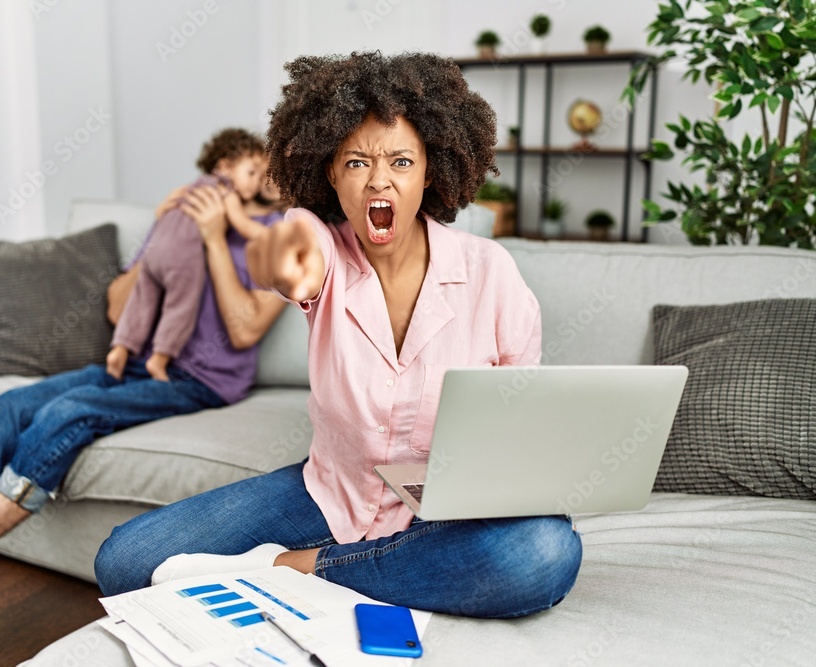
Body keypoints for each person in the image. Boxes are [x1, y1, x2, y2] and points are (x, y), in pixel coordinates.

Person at [94, 52, 583, 620]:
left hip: (449, 512)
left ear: (431, 169)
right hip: (333, 493)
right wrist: (278, 253)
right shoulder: (321, 244)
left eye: (401, 160)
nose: (380, 179)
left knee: (544, 552)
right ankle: (386, 568)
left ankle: (288, 570)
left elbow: (521, 426)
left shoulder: (492, 273)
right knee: (124, 562)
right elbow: (292, 253)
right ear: (330, 172)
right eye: (356, 162)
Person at [0, 159, 288, 660]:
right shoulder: (192, 207)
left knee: (69, 413)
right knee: (10, 406)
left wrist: (215, 238)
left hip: (200, 381)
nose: (266, 167)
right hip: (138, 360)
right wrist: (162, 232)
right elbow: (117, 310)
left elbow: (244, 329)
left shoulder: (289, 233)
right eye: (260, 156)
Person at [108, 128, 269, 382]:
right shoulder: (226, 193)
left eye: (261, 177)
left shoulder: (187, 190)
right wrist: (267, 234)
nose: (257, 183)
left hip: (156, 253)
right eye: (252, 173)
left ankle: (120, 349)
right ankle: (159, 359)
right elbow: (243, 225)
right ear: (225, 166)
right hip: (181, 259)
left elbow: (244, 333)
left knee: (144, 299)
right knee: (181, 305)